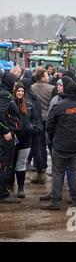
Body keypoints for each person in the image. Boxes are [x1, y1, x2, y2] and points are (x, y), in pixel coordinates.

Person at [43, 82, 76, 210]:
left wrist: (54, 137)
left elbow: (50, 125)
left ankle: (55, 202)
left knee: (58, 172)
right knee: (74, 172)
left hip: (60, 144)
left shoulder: (58, 106)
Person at [10, 83, 35, 198]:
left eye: (22, 91)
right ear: (14, 91)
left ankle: (20, 188)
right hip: (12, 138)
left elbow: (35, 118)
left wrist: (32, 127)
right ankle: (9, 186)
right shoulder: (9, 104)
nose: (20, 93)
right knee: (11, 163)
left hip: (26, 139)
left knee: (21, 163)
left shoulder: (29, 105)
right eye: (18, 91)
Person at [0, 72, 22, 204]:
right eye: (14, 83)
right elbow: (0, 113)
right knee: (3, 165)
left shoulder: (3, 92)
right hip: (4, 137)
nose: (15, 86)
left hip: (5, 135)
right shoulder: (5, 94)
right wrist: (6, 131)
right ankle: (3, 194)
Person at [31, 68, 54, 184]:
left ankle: (41, 169)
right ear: (42, 77)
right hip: (49, 119)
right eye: (47, 76)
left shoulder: (31, 88)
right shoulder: (51, 88)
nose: (49, 77)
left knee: (39, 145)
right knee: (51, 143)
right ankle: (56, 168)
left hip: (36, 119)